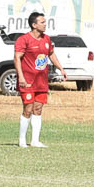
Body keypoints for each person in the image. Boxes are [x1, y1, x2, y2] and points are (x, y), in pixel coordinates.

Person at [12, 10, 57, 148]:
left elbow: (51, 54)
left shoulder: (47, 39)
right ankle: (22, 140)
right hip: (28, 81)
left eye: (45, 22)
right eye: (42, 22)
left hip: (41, 81)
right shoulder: (23, 39)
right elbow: (17, 58)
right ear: (34, 25)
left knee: (38, 109)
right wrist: (21, 77)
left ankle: (35, 141)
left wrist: (61, 68)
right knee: (28, 109)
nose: (45, 24)